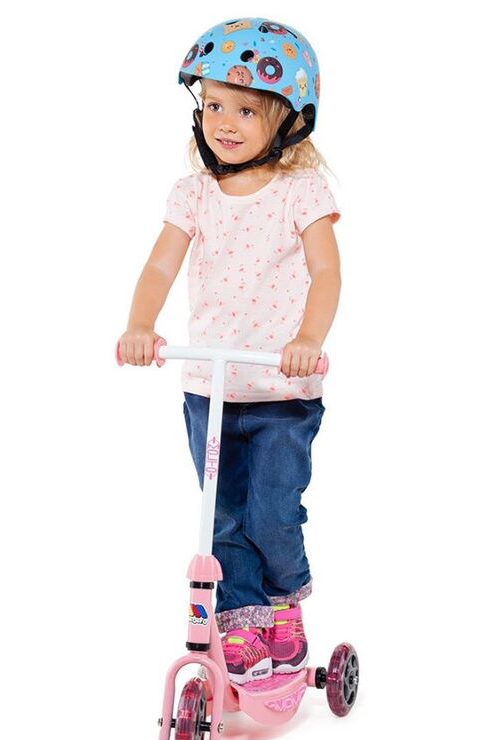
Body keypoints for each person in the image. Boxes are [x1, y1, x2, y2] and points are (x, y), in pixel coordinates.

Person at [118, 17, 341, 685]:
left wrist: (307, 339)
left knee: (272, 512)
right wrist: (140, 324)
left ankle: (283, 601)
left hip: (280, 393)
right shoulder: (193, 194)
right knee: (220, 517)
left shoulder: (301, 193)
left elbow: (326, 272)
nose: (225, 122)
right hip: (208, 390)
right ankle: (240, 618)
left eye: (246, 110)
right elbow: (160, 266)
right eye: (214, 105)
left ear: (288, 120)